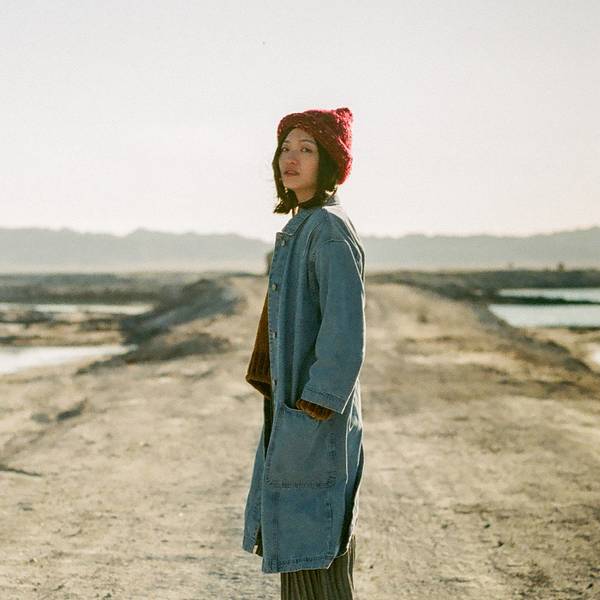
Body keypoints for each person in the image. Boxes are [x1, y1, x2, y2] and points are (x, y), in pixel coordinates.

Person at [242, 106, 366, 600]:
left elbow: (345, 325)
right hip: (295, 406)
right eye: (285, 149)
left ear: (329, 162)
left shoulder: (329, 229)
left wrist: (318, 399)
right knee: (299, 542)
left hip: (315, 413)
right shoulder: (304, 223)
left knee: (314, 545)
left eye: (306, 149)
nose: (290, 159)